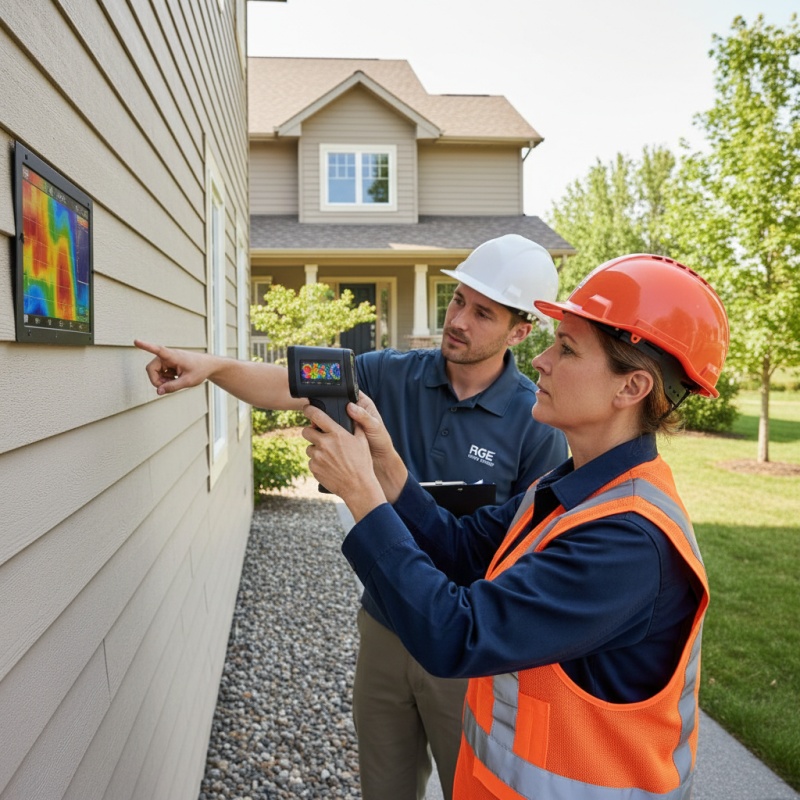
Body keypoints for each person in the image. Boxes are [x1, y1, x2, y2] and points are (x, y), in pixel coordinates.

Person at [135, 233, 569, 800]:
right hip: (385, 626)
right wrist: (212, 366)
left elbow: (520, 551)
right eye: (457, 300)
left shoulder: (537, 422)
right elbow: (287, 386)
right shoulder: (390, 374)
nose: (458, 319)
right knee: (384, 786)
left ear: (520, 330)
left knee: (473, 788)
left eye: (482, 312)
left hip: (466, 650)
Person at [300, 253, 730, 800]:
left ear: (632, 388)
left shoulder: (627, 542)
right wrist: (385, 470)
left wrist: (360, 495)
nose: (542, 360)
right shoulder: (570, 487)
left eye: (568, 348)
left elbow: (457, 636)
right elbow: (458, 549)